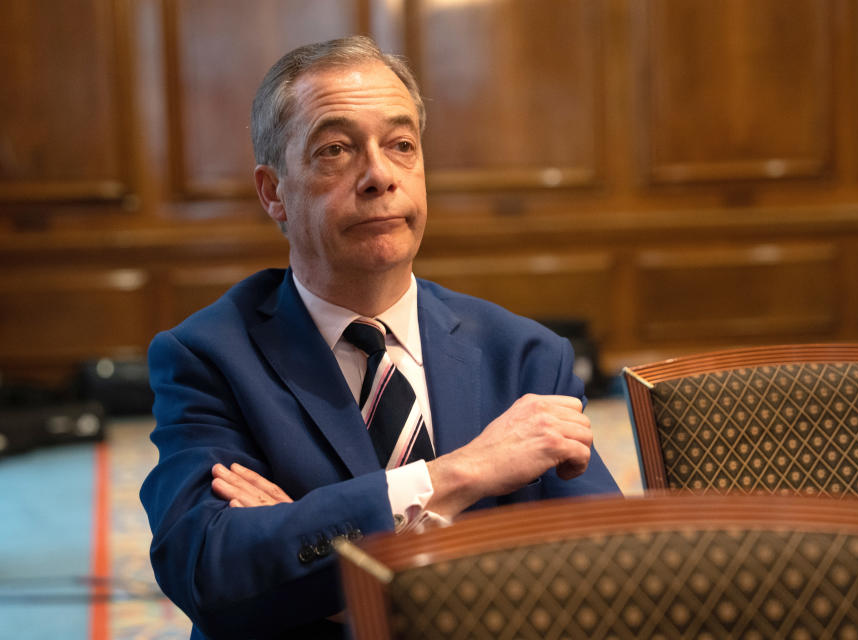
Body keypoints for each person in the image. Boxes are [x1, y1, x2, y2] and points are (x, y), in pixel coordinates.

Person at [140, 35, 619, 639]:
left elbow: (609, 580)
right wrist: (456, 478)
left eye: (401, 146)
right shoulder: (210, 357)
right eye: (336, 150)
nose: (379, 176)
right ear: (273, 191)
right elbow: (208, 571)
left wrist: (310, 554)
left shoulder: (524, 356)